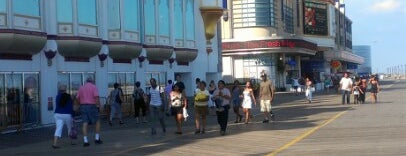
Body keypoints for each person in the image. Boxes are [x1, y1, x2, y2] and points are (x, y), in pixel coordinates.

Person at [76, 77, 102, 147]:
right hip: (92, 106)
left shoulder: (81, 87)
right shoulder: (94, 87)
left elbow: (77, 98)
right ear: (92, 81)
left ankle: (85, 141)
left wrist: (80, 103)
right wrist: (98, 106)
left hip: (83, 106)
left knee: (85, 123)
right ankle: (97, 139)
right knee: (97, 121)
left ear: (86, 81)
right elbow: (96, 97)